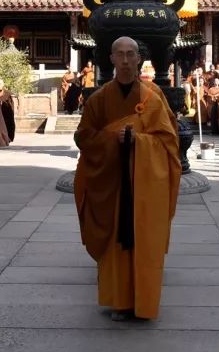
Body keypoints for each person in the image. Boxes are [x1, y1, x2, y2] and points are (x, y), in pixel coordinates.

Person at [73, 37, 181, 321]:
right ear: (110, 59)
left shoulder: (152, 97)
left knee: (142, 240)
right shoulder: (98, 99)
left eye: (130, 55)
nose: (124, 61)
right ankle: (119, 302)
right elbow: (83, 137)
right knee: (116, 244)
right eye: (119, 54)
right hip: (111, 183)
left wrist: (138, 141)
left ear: (138, 60)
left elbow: (169, 142)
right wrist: (112, 138)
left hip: (145, 185)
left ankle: (144, 302)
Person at [0, 79, 16, 143]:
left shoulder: (7, 93)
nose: (0, 85)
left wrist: (11, 112)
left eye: (1, 83)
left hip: (6, 112)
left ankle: (8, 138)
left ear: (3, 84)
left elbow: (11, 104)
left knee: (8, 125)